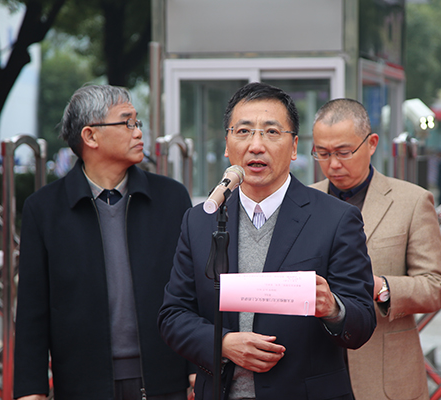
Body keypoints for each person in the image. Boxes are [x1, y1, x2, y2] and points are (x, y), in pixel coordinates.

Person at [158, 82, 376, 400]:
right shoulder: (200, 220)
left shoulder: (336, 218)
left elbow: (363, 321)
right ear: (227, 144)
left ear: (294, 147)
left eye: (272, 132)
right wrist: (223, 343)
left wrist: (333, 307)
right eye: (243, 132)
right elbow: (173, 315)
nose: (256, 145)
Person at [13, 85, 193, 400]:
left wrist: (198, 365)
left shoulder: (171, 198)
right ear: (90, 136)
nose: (138, 132)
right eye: (127, 122)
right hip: (83, 385)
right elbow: (32, 309)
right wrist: (31, 390)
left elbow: (192, 290)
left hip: (165, 381)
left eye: (137, 122)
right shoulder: (44, 209)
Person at [310, 98, 441, 400]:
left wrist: (381, 287)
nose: (333, 164)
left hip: (384, 376)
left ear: (372, 143)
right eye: (322, 153)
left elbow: (436, 287)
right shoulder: (304, 202)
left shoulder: (412, 201)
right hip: (315, 369)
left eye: (344, 152)